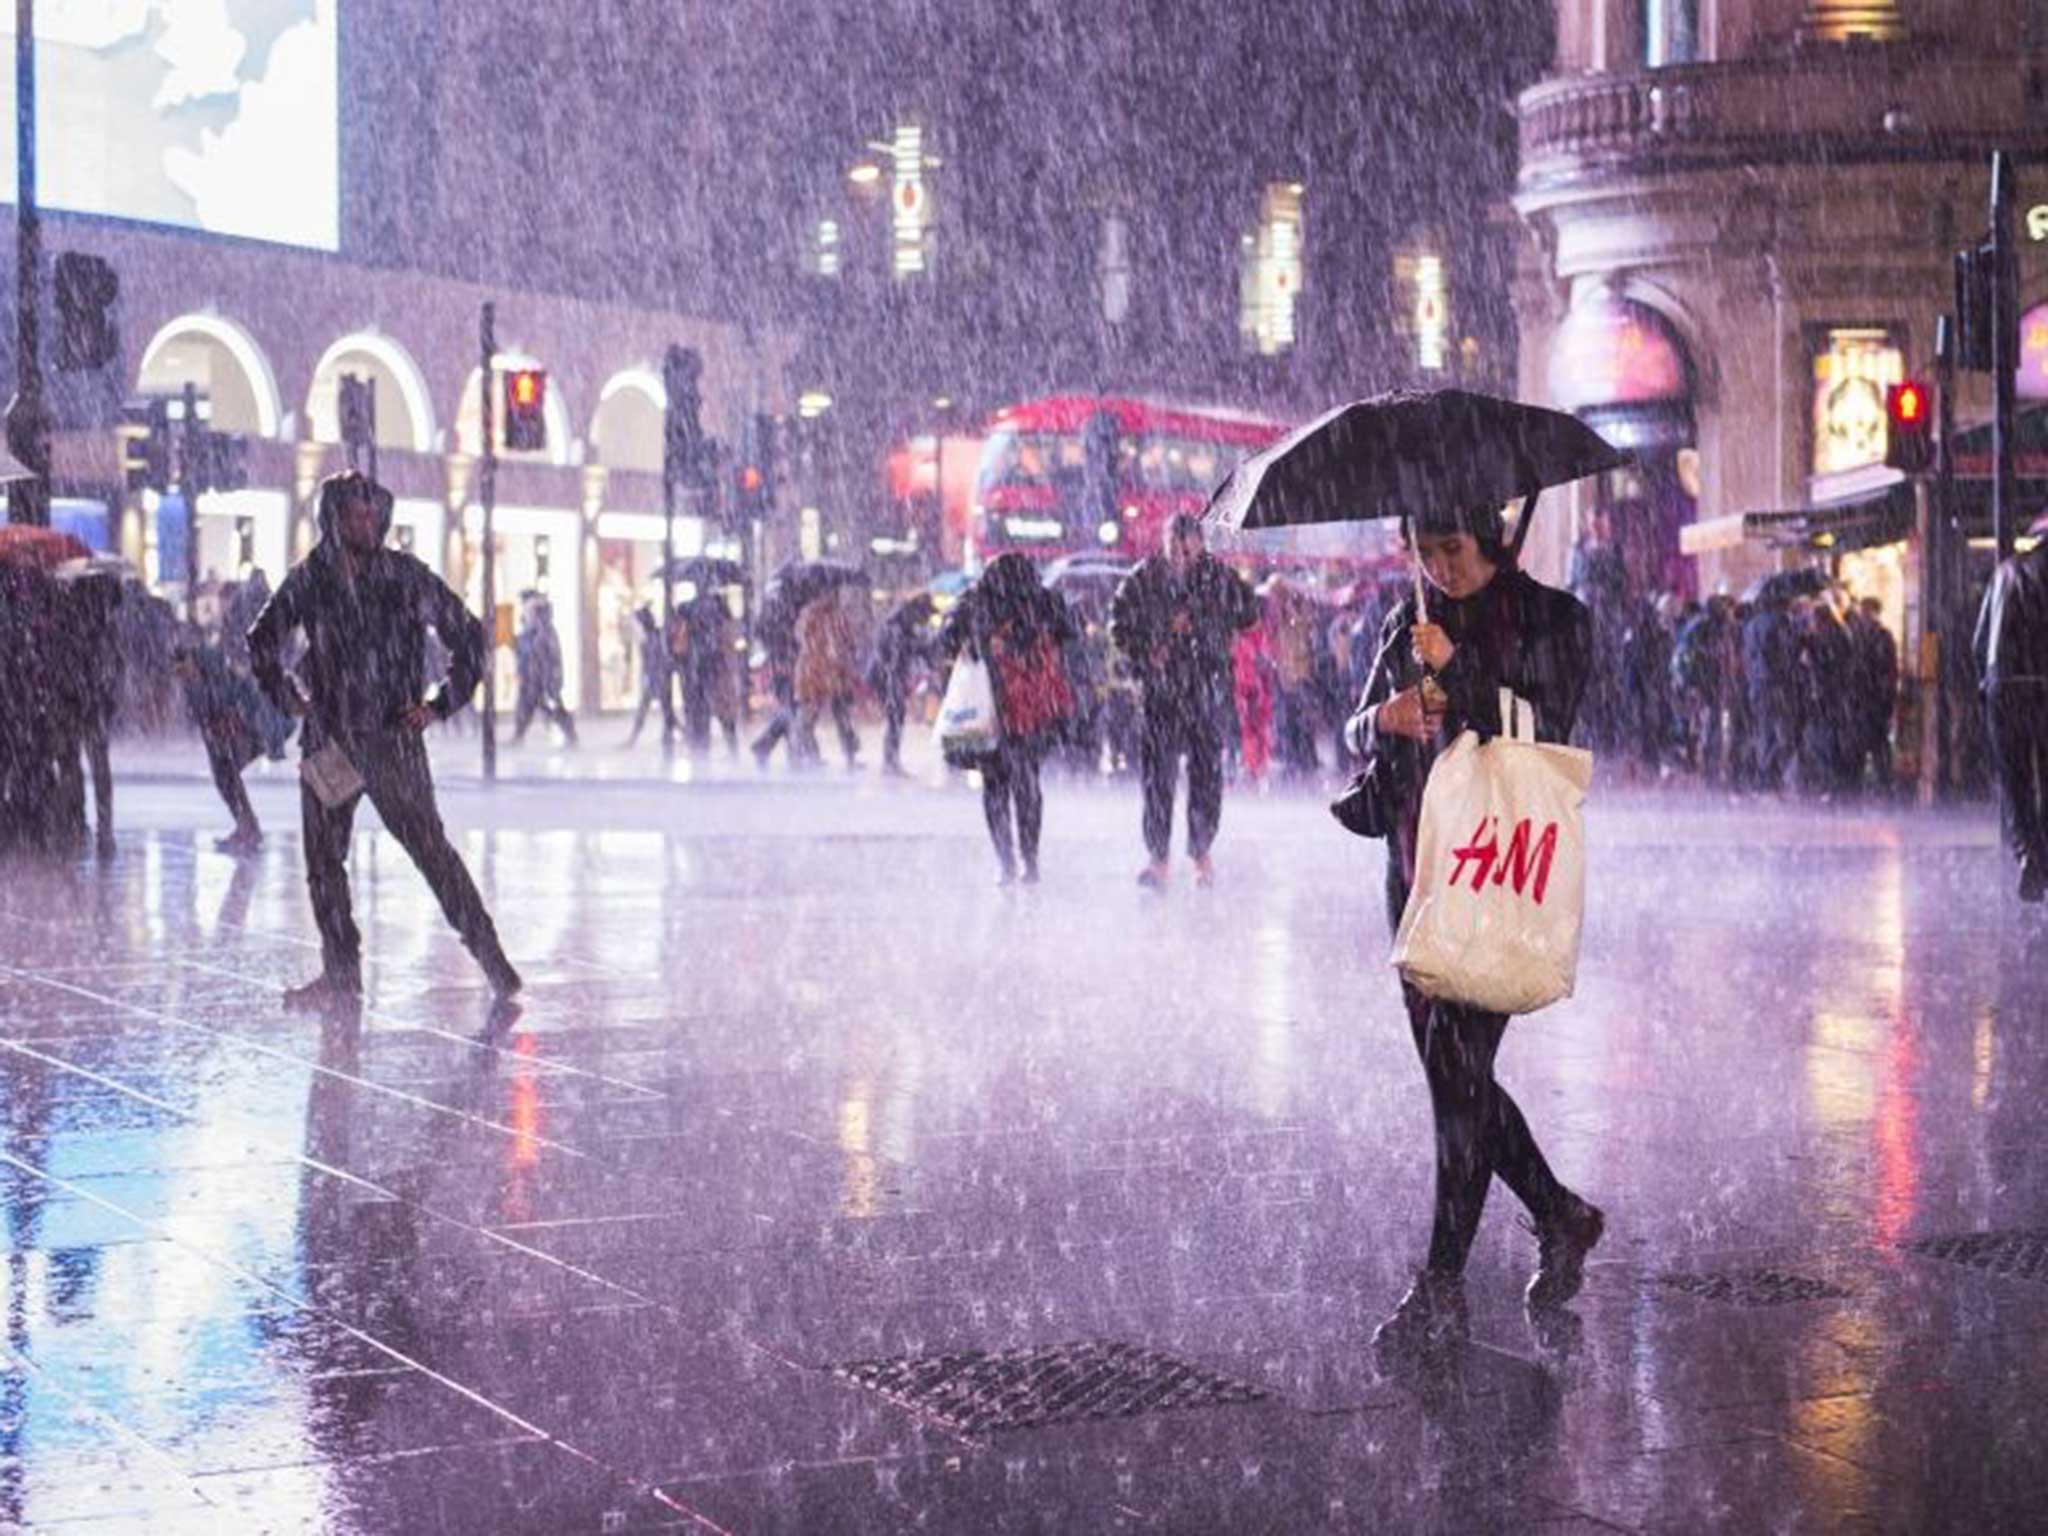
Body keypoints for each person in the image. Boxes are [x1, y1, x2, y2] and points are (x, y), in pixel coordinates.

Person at [1345, 502, 1603, 1352]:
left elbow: (1547, 732)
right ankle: (1560, 1214)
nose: (1439, 569)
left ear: (1489, 538)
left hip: (1496, 870)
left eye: (1451, 550)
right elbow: (1354, 727)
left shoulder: (1556, 619)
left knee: (1457, 1079)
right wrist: (1385, 719)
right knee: (1453, 1083)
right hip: (1417, 876)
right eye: (1424, 553)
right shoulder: (1406, 619)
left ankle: (1442, 1286)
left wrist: (1462, 675)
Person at [248, 471, 521, 1007]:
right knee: (324, 864)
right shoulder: (313, 578)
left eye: (372, 513)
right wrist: (288, 697)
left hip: (393, 738)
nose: (366, 522)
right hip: (330, 740)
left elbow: (468, 637)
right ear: (334, 518)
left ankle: (493, 961)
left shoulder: (403, 576)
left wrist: (439, 705)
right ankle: (341, 972)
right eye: (355, 513)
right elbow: (261, 640)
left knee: (433, 854)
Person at [1109, 515, 1259, 889]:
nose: (1179, 555)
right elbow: (1120, 627)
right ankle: (1158, 857)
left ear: (1199, 545)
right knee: (1157, 780)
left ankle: (1200, 853)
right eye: (1173, 546)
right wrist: (1155, 640)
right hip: (1161, 694)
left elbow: (1248, 615)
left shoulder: (1219, 578)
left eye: (1187, 547)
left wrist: (1206, 624)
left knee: (1206, 777)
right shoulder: (1144, 578)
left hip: (1206, 690)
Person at [936, 553, 1077, 884]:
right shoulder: (1042, 601)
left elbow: (945, 638)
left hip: (991, 709)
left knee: (995, 787)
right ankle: (1029, 860)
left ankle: (1006, 861)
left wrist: (974, 641)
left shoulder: (975, 601)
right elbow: (1070, 633)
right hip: (1029, 709)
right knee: (1026, 785)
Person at [1974, 530, 2048, 901]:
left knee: (2014, 776)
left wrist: (1984, 684)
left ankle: (2027, 852)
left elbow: (1979, 640)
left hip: (2005, 686)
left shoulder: (2005, 573)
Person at [171, 636, 268, 852]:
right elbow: (199, 715)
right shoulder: (191, 685)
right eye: (178, 673)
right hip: (219, 738)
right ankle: (246, 825)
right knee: (224, 779)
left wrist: (236, 719)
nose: (182, 676)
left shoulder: (219, 673)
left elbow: (246, 698)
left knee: (230, 774)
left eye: (183, 670)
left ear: (191, 661)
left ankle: (248, 828)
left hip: (246, 731)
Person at [795, 585, 865, 769]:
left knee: (820, 716)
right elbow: (846, 643)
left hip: (821, 672)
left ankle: (814, 754)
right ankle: (836, 755)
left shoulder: (811, 615)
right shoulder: (829, 616)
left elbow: (803, 640)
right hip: (825, 673)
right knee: (830, 716)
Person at [871, 594, 935, 776]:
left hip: (891, 677)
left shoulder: (902, 624)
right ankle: (890, 761)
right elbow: (897, 655)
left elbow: (914, 648)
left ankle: (891, 760)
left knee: (896, 718)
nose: (927, 619)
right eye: (926, 615)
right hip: (888, 677)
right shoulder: (897, 627)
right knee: (895, 718)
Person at [512, 592, 577, 746]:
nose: (525, 611)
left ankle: (570, 734)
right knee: (528, 705)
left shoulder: (544, 630)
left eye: (528, 608)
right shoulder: (530, 629)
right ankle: (518, 735)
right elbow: (525, 651)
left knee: (550, 706)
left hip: (543, 677)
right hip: (533, 676)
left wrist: (551, 677)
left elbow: (547, 656)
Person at [1848, 596, 1898, 794]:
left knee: (1878, 744)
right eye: (1863, 611)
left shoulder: (1882, 637)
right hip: (1863, 698)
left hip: (1875, 699)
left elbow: (1889, 669)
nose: (1864, 615)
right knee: (1862, 743)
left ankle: (1884, 784)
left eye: (1867, 611)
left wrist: (1887, 696)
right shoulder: (1858, 635)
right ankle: (1861, 784)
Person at [625, 605, 672, 747]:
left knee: (651, 709)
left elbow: (653, 661)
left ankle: (633, 738)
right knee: (665, 710)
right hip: (658, 677)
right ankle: (678, 734)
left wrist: (650, 676)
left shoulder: (652, 639)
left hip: (655, 678)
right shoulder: (656, 637)